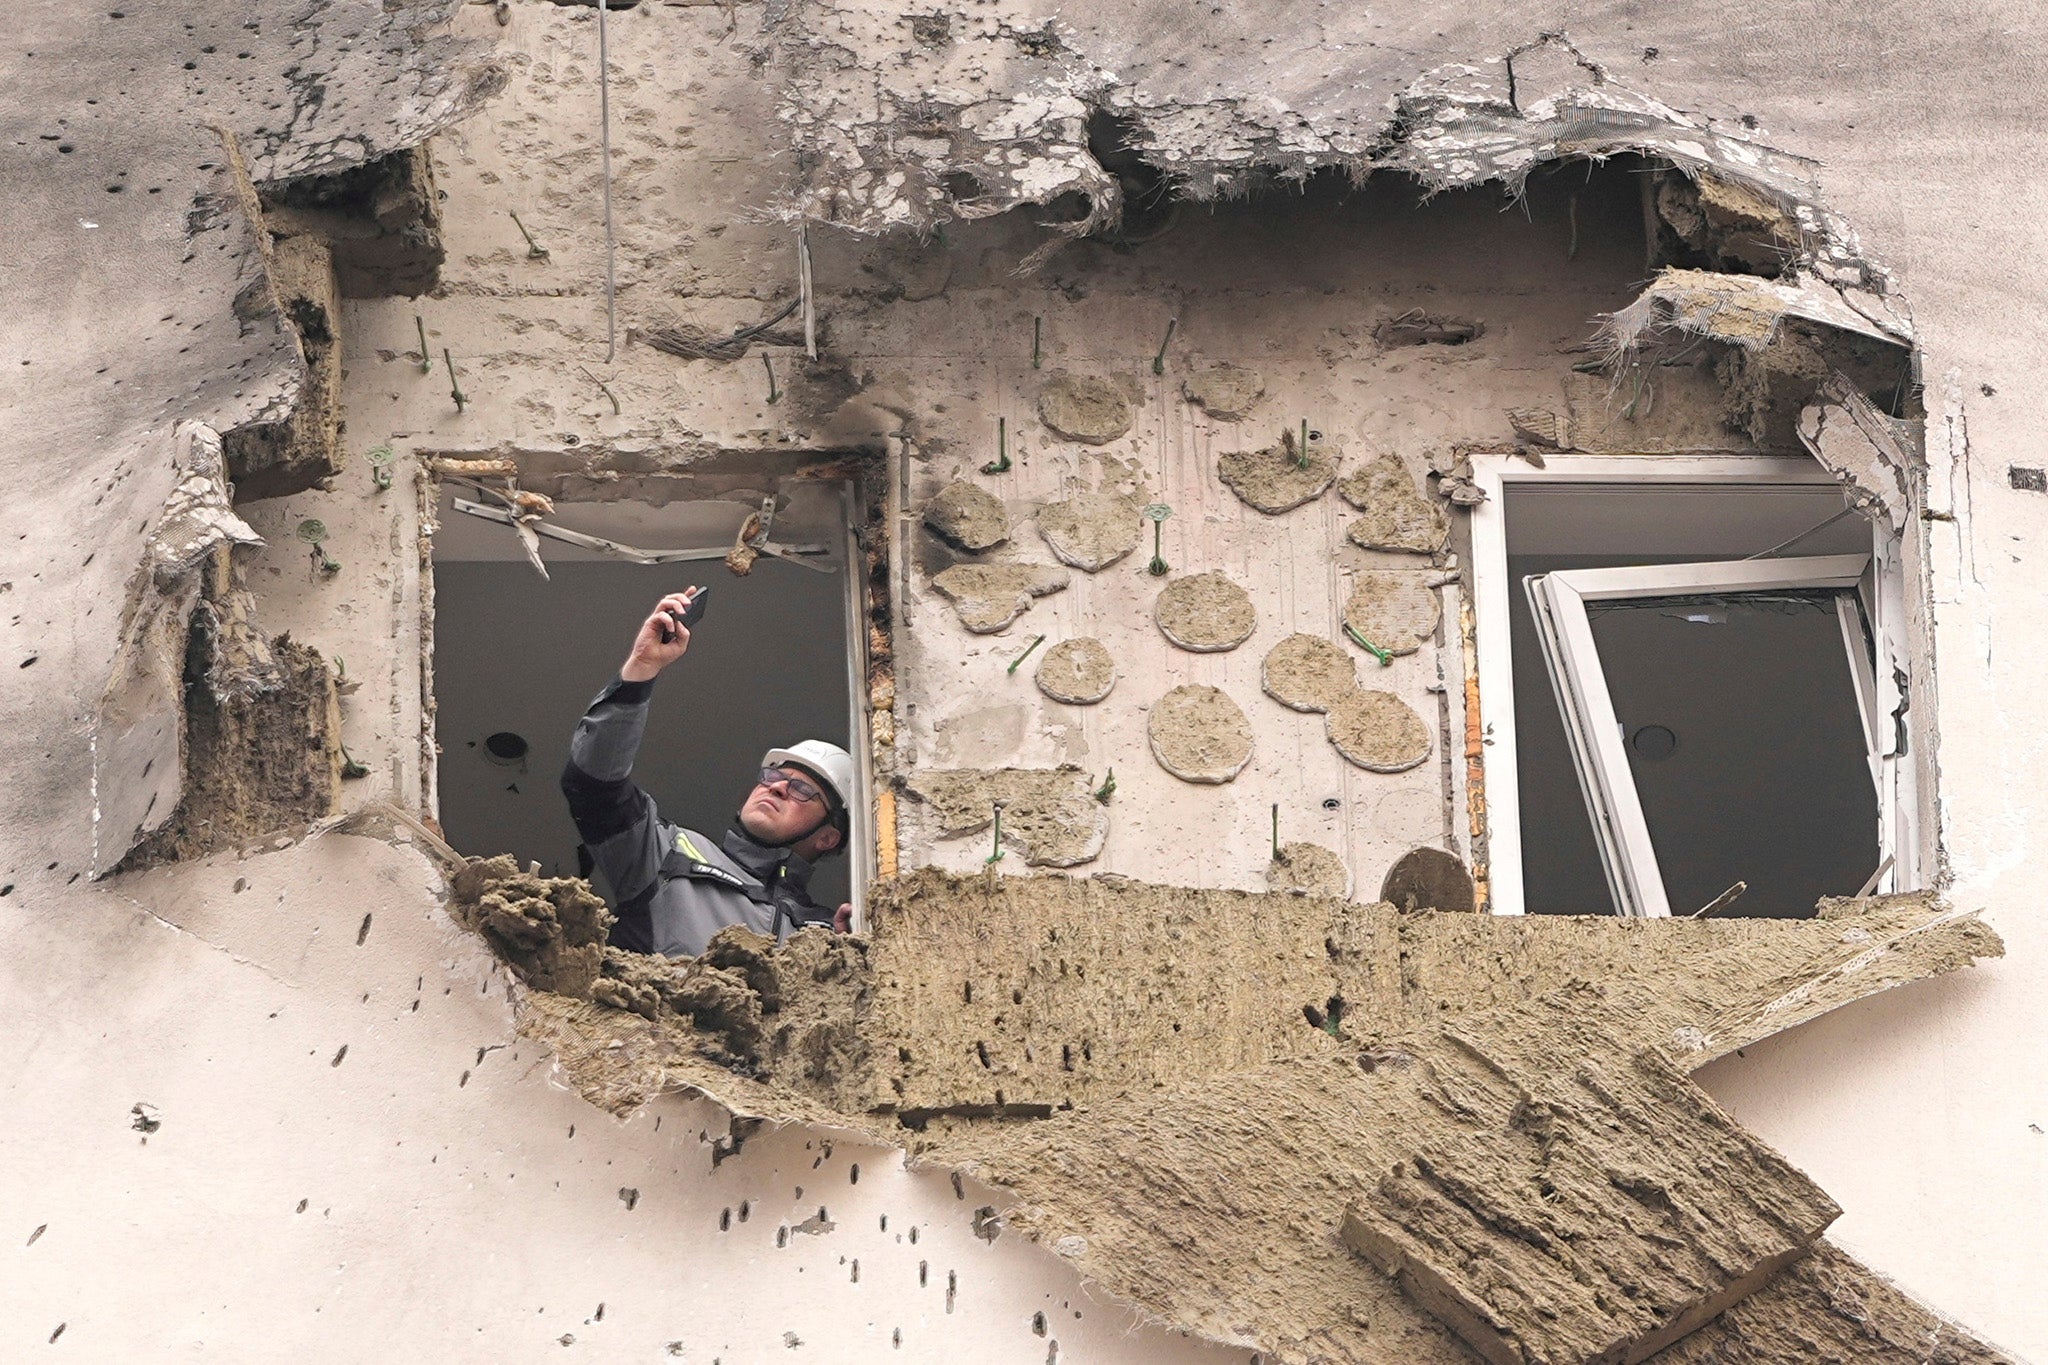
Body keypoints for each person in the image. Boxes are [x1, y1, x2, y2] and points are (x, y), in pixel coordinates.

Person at [560, 588, 855, 957]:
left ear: (827, 837)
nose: (777, 788)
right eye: (772, 777)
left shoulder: (823, 934)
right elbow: (592, 785)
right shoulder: (668, 854)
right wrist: (641, 669)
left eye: (800, 789)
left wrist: (846, 959)